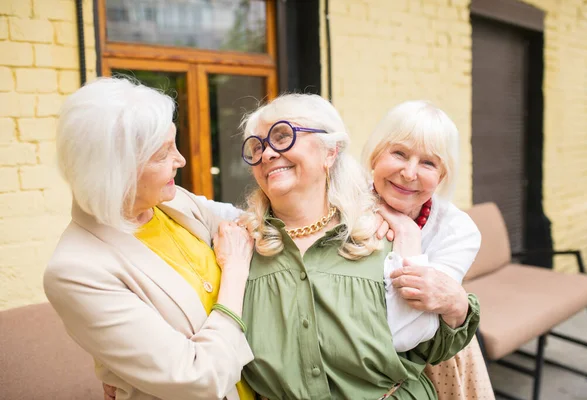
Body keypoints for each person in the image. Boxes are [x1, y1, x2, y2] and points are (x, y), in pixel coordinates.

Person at [237, 93, 481, 399]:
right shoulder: (240, 243)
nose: (268, 153)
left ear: (330, 152)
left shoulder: (441, 231)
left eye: (283, 136)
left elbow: (417, 336)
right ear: (375, 158)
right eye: (257, 147)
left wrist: (456, 303)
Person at [44, 77, 256, 400]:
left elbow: (241, 225)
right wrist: (235, 271)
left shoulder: (169, 201)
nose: (181, 160)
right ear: (115, 173)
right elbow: (197, 377)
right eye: (163, 154)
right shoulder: (75, 271)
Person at [363, 100, 495, 399]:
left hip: (431, 361)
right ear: (375, 156)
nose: (409, 173)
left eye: (428, 163)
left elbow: (408, 330)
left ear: (442, 175)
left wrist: (406, 232)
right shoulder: (342, 204)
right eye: (398, 153)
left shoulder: (458, 230)